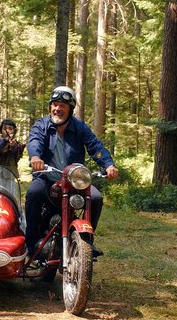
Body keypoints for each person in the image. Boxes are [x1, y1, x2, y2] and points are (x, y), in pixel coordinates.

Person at [25, 85, 119, 255]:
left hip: (73, 182)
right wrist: (35, 157)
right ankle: (31, 244)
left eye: (62, 105)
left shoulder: (79, 127)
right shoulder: (42, 125)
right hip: (46, 179)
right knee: (33, 193)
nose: (57, 109)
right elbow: (35, 141)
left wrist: (108, 164)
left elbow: (95, 145)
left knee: (96, 198)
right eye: (54, 104)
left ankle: (86, 241)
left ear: (70, 109)